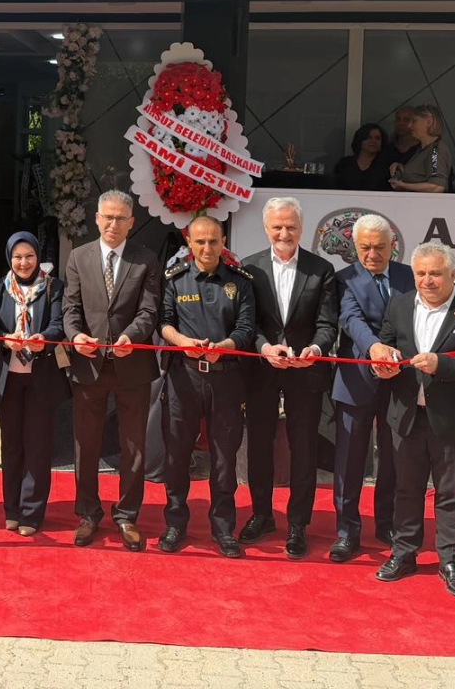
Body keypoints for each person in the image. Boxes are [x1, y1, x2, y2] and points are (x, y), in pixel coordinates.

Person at [370, 241, 455, 599]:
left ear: (453, 274)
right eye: (421, 273)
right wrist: (382, 362)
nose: (427, 280)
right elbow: (386, 344)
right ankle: (404, 553)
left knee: (450, 493)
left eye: (436, 273)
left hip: (451, 419)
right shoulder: (398, 304)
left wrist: (443, 365)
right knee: (406, 489)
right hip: (406, 415)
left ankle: (450, 560)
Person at [240, 196, 337, 558]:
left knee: (304, 449)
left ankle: (298, 523)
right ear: (266, 228)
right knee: (259, 445)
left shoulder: (321, 269)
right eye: (277, 227)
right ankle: (262, 514)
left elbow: (328, 324)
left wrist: (315, 349)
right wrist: (264, 347)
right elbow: (247, 322)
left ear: (302, 227)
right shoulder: (249, 268)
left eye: (291, 226)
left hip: (305, 372)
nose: (284, 233)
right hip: (262, 371)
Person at [63, 190, 159, 553]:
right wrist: (75, 336)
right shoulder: (78, 256)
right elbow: (70, 307)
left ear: (131, 223)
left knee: (133, 445)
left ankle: (127, 516)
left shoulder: (145, 259)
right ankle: (87, 513)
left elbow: (149, 310)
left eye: (120, 218)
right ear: (97, 219)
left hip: (131, 364)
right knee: (85, 444)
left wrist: (131, 336)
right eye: (107, 217)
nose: (113, 224)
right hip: (89, 364)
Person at [157, 215, 255, 558]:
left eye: (214, 241)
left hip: (226, 378)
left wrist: (224, 347)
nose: (207, 247)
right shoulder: (175, 279)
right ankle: (175, 523)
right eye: (200, 241)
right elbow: (164, 322)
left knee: (224, 456)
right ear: (189, 243)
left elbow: (246, 329)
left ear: (223, 241)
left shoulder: (240, 282)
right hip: (184, 377)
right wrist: (182, 342)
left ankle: (224, 528)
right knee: (177, 453)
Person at [330, 214, 412, 562]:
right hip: (357, 380)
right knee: (350, 460)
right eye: (364, 248)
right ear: (355, 247)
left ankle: (387, 524)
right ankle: (347, 531)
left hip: (400, 381)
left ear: (393, 245)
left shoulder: (410, 276)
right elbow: (351, 320)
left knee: (394, 458)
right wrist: (375, 349)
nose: (372, 254)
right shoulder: (344, 279)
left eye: (379, 247)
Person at [0, 231, 68, 537]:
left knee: (37, 446)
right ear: (9, 258)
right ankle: (11, 510)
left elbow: (58, 324)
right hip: (8, 378)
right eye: (17, 257)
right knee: (11, 446)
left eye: (29, 256)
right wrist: (4, 340)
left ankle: (31, 513)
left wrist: (43, 338)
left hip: (41, 378)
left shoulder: (53, 287)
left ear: (38, 257)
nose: (23, 262)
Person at [389, 104, 452, 193]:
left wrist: (403, 185)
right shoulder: (422, 150)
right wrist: (401, 169)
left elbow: (436, 186)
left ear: (429, 122)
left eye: (414, 121)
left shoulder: (435, 150)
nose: (409, 125)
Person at [333, 124, 392, 191]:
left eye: (377, 138)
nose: (373, 141)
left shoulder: (387, 166)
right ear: (360, 140)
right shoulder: (344, 164)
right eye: (369, 137)